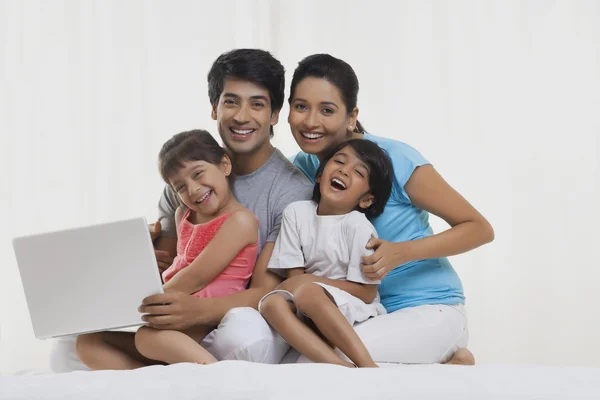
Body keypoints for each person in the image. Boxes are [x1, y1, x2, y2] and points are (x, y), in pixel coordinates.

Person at [50, 49, 313, 372]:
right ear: (214, 108)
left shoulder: (291, 193)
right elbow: (168, 264)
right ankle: (165, 381)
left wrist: (198, 311)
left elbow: (265, 291)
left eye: (257, 104)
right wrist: (136, 256)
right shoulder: (188, 175)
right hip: (177, 316)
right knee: (69, 347)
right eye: (231, 102)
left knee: (244, 334)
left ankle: (189, 373)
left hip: (235, 314)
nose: (242, 116)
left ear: (274, 115)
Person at [285, 54, 495, 364]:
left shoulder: (393, 158)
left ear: (351, 116)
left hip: (428, 307)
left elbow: (478, 228)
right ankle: (444, 370)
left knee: (329, 360)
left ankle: (444, 358)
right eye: (301, 106)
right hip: (360, 312)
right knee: (296, 357)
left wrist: (402, 252)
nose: (311, 122)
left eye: (327, 110)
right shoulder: (303, 167)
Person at [259, 139, 393, 368]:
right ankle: (339, 365)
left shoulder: (357, 226)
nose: (344, 170)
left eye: (359, 172)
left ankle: (369, 367)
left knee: (309, 293)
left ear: (366, 199)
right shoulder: (296, 213)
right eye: (339, 161)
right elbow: (294, 279)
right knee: (270, 303)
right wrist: (305, 285)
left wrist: (312, 282)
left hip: (352, 302)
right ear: (319, 175)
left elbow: (367, 293)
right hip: (306, 297)